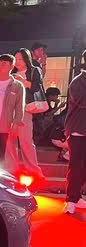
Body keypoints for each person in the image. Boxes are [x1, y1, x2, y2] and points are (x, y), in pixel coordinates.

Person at [8, 48, 45, 178]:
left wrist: (23, 82)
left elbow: (36, 87)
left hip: (25, 109)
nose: (17, 62)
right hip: (9, 109)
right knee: (9, 141)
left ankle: (34, 170)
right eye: (16, 59)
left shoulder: (34, 71)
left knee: (26, 141)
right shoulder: (11, 73)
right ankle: (11, 169)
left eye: (20, 59)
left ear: (26, 59)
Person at [63, 49, 86, 214]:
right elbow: (82, 101)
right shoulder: (77, 81)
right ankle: (71, 200)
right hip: (77, 130)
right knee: (76, 165)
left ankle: (77, 197)